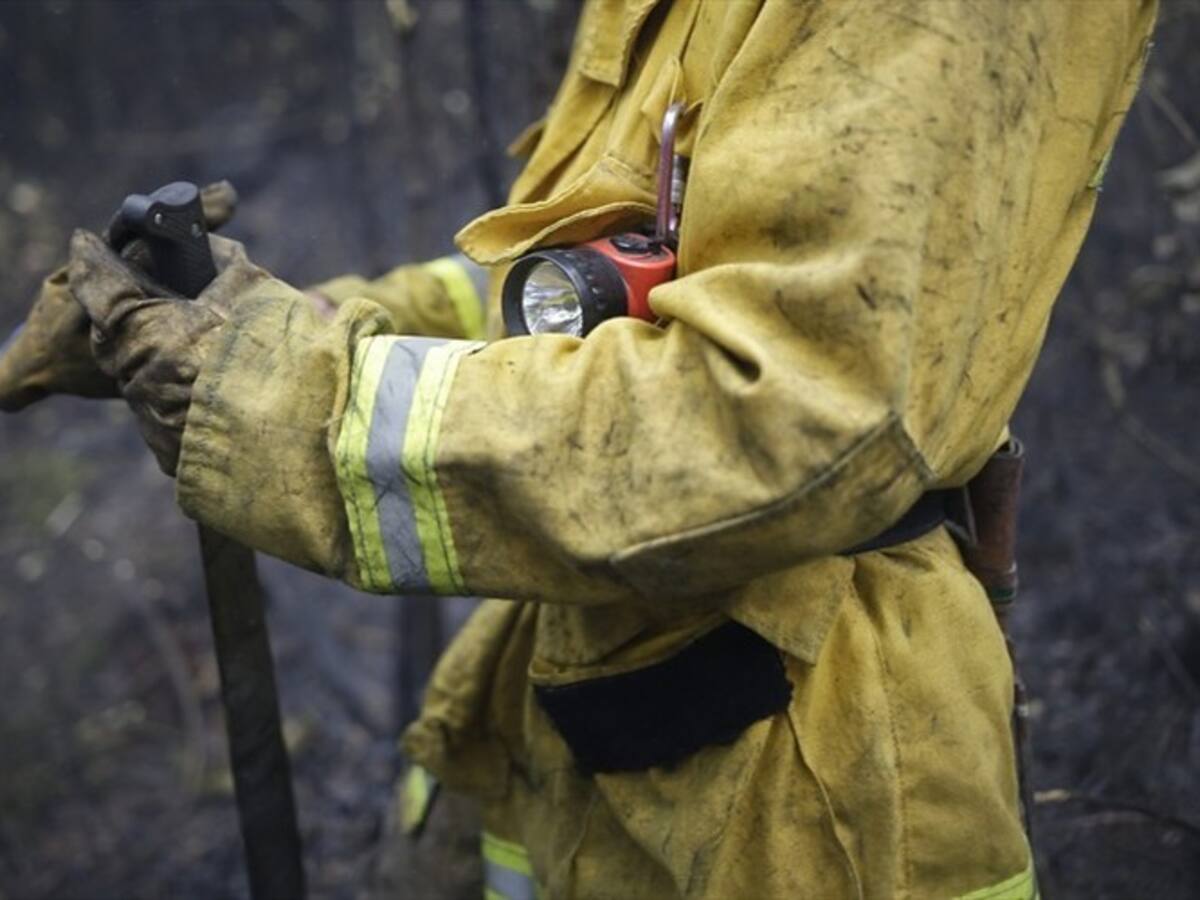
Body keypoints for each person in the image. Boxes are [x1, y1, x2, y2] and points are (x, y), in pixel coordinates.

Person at [0, 1, 1158, 897]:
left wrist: (270, 393)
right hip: (605, 711)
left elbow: (788, 414)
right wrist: (271, 322)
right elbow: (571, 291)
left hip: (807, 783)